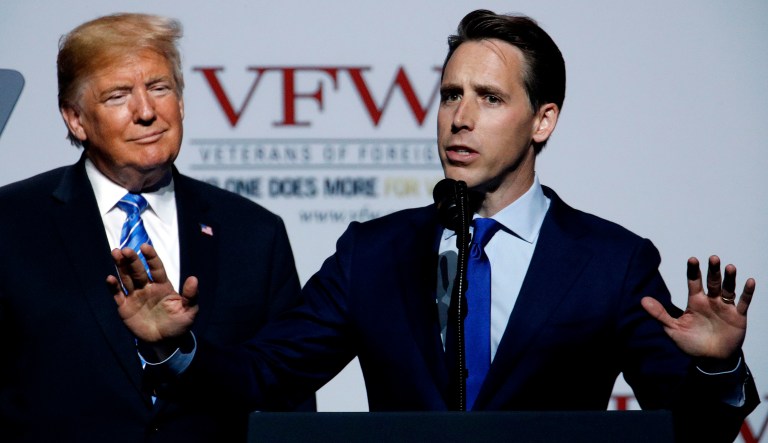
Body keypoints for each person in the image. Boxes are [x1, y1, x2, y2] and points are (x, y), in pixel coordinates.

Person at [111, 9, 758, 442]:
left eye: (490, 98)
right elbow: (263, 377)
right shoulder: (374, 253)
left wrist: (716, 369)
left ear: (544, 120)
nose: (460, 117)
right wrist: (174, 347)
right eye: (451, 95)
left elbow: (689, 430)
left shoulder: (610, 261)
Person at [0, 13, 314, 443]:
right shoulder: (11, 224)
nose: (146, 112)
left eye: (159, 88)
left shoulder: (254, 234)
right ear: (75, 119)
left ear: (181, 102)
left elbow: (288, 401)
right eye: (117, 96)